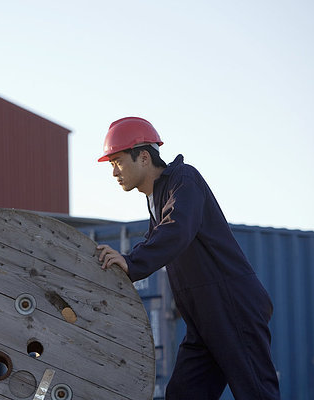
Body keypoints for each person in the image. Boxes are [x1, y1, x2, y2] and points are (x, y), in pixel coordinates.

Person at [96, 117, 280, 400]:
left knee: (256, 394)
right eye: (110, 164)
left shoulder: (184, 179)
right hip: (203, 320)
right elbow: (156, 238)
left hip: (233, 307)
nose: (113, 172)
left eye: (117, 161)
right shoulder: (157, 197)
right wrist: (121, 264)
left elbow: (176, 229)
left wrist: (132, 262)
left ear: (143, 157)